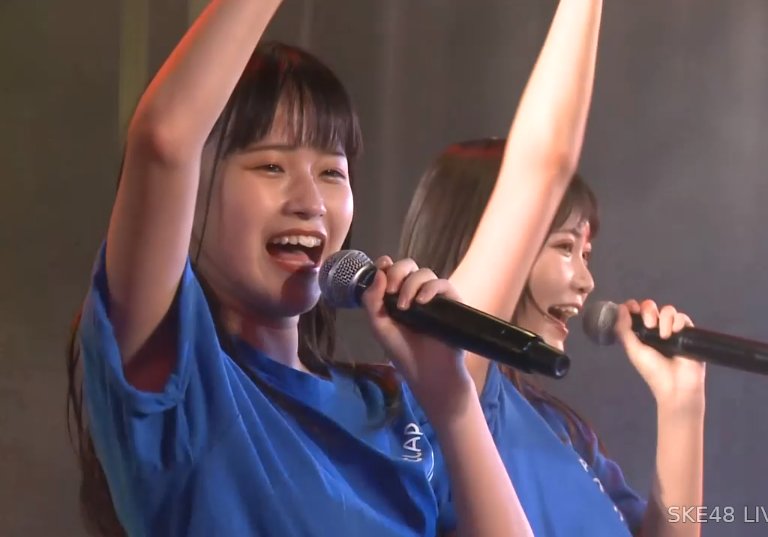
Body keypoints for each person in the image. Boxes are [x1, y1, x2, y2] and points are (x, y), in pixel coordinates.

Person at [64, 2, 538, 535]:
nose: (311, 203)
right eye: (271, 166)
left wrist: (452, 403)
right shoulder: (180, 382)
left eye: (332, 172)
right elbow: (164, 138)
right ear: (190, 195)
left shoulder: (387, 403)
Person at [398, 138, 706, 536]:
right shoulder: (433, 396)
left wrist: (682, 404)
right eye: (564, 247)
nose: (586, 281)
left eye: (586, 254)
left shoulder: (561, 429)